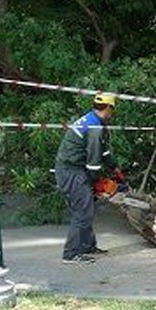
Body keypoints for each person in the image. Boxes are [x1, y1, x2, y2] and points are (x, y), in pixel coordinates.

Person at [55, 94, 124, 264]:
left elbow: (104, 151)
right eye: (112, 109)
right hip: (72, 171)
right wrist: (96, 182)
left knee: (86, 208)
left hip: (75, 169)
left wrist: (115, 168)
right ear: (108, 108)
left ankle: (87, 246)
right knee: (83, 211)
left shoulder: (93, 121)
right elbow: (93, 163)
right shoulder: (94, 126)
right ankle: (70, 254)